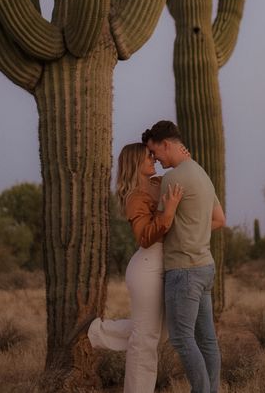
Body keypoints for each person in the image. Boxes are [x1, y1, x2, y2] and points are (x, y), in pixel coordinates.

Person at [88, 142, 183, 393]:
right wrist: (169, 212)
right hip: (148, 267)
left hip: (165, 265)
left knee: (158, 333)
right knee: (144, 342)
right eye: (148, 156)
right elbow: (144, 236)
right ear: (135, 163)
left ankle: (99, 331)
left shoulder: (158, 183)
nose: (153, 158)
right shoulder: (135, 197)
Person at [142, 120, 226, 393]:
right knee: (207, 341)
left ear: (166, 144)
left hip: (183, 270)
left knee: (181, 339)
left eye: (155, 153)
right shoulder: (201, 173)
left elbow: (160, 226)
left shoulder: (173, 179)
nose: (155, 159)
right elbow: (219, 220)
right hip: (205, 267)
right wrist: (193, 230)